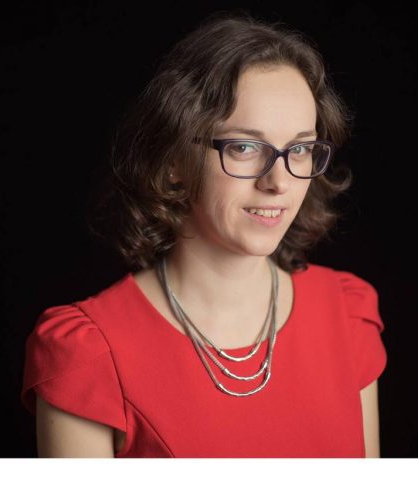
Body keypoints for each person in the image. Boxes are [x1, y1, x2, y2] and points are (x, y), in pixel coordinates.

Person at [21, 11, 387, 458]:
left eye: (301, 148)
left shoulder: (348, 316)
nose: (279, 181)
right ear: (174, 161)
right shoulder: (89, 354)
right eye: (244, 147)